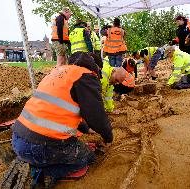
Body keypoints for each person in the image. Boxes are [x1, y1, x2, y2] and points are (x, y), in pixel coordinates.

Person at [11, 52, 113, 188]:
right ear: (97, 68)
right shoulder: (86, 76)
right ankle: (42, 171)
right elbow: (97, 117)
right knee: (87, 157)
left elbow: (61, 109)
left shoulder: (59, 72)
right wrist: (108, 137)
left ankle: (36, 162)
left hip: (18, 137)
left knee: (71, 147)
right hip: (40, 146)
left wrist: (86, 129)